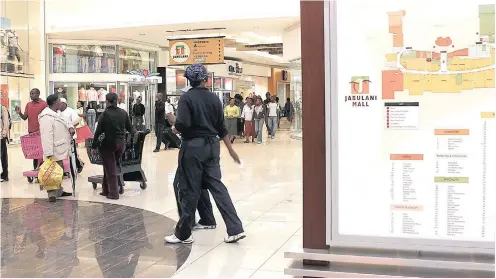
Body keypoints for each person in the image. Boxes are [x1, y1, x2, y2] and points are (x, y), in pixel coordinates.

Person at [164, 64, 245, 244]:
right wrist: (231, 150)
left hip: (193, 147)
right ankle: (235, 229)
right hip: (212, 147)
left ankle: (183, 234)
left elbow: (183, 123)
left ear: (189, 79)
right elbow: (221, 127)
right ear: (205, 79)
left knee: (189, 188)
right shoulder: (215, 99)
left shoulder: (186, 98)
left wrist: (174, 126)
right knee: (217, 187)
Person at [91, 93, 134, 200]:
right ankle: (105, 190)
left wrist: (94, 145)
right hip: (121, 145)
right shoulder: (123, 113)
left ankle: (114, 193)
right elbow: (131, 129)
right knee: (109, 165)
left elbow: (98, 131)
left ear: (107, 101)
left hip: (109, 144)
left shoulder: (105, 114)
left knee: (110, 169)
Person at [38, 94, 74, 202]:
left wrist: (71, 127)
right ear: (55, 103)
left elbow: (67, 122)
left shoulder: (58, 114)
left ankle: (59, 190)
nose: (61, 103)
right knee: (52, 172)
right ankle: (52, 194)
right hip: (53, 150)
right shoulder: (46, 118)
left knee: (59, 171)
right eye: (59, 101)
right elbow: (46, 136)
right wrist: (48, 152)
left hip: (61, 148)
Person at [15, 88, 48, 170]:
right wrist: (19, 113)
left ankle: (43, 170)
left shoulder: (44, 104)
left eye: (33, 93)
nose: (31, 95)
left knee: (42, 152)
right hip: (31, 132)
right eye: (30, 93)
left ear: (38, 94)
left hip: (41, 132)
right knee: (35, 153)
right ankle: (36, 169)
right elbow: (25, 117)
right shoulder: (28, 104)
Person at [59, 98, 85, 174]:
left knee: (73, 153)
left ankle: (79, 165)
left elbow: (77, 122)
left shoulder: (71, 111)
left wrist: (70, 127)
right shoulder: (58, 112)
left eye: (61, 103)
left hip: (71, 136)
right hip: (61, 137)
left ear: (64, 104)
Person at [0, 105, 9, 182]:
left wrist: (4, 134)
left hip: (1, 137)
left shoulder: (2, 108)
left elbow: (6, 122)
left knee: (2, 156)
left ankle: (4, 175)